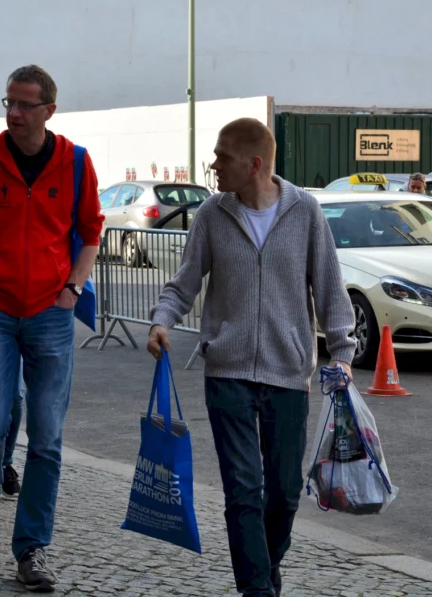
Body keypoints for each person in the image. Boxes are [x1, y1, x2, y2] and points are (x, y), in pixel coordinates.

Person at [147, 118, 356, 597]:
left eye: (223, 157)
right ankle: (257, 590)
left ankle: (264, 569)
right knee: (243, 491)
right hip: (228, 372)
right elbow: (185, 282)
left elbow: (328, 287)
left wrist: (342, 353)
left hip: (288, 374)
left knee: (282, 495)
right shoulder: (211, 215)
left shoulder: (305, 211)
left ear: (254, 164)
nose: (214, 165)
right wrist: (162, 319)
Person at [0, 64, 103, 593]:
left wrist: (73, 289)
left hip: (52, 314)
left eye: (25, 104)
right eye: (8, 102)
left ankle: (32, 549)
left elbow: (90, 233)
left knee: (47, 440)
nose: (13, 112)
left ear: (49, 110)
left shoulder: (75, 162)